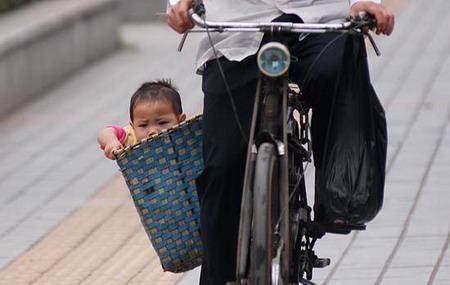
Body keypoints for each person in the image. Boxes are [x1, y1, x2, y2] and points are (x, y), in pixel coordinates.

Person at [167, 1, 395, 284]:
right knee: (223, 165)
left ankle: (337, 196)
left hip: (317, 21)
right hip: (237, 31)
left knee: (339, 71)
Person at [97, 79, 186, 159]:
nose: (153, 131)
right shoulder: (132, 136)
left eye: (162, 123)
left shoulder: (187, 133)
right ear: (133, 126)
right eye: (143, 125)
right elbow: (106, 132)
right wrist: (112, 141)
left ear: (181, 120)